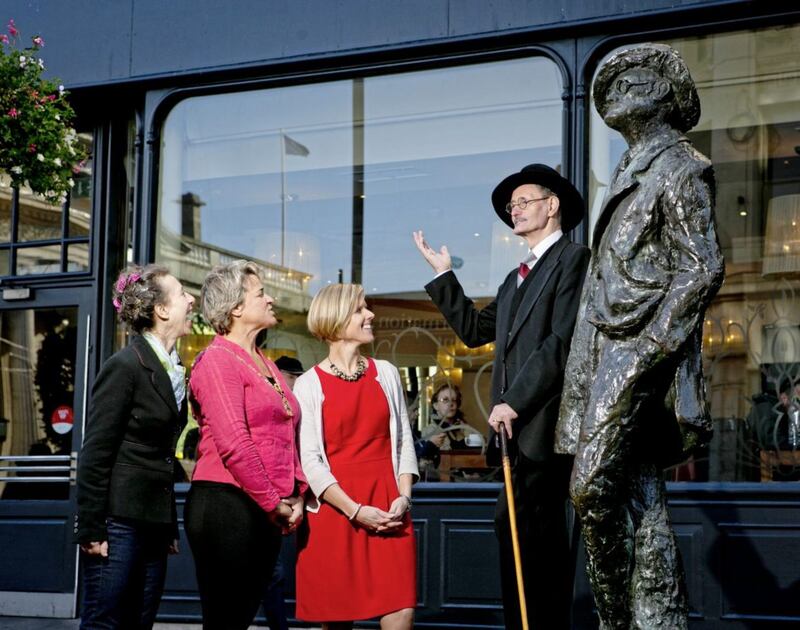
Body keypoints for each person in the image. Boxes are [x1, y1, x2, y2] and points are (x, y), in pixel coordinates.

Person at [555, 44, 725, 629]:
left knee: (590, 489)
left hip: (636, 352)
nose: (625, 84)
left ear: (670, 97)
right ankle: (655, 619)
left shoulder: (681, 167)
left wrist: (651, 348)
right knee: (640, 498)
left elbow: (702, 267)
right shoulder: (630, 171)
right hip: (602, 349)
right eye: (614, 81)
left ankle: (616, 619)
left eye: (642, 77)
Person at [413, 163, 590, 629]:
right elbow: (474, 331)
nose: (515, 210)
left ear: (552, 206)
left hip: (547, 431)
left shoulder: (574, 259)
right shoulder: (514, 279)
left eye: (523, 201)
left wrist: (516, 400)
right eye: (511, 206)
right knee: (514, 538)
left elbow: (561, 340)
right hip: (515, 438)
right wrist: (444, 275)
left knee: (542, 549)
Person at [184, 260, 307, 630]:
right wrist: (276, 504)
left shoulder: (265, 364)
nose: (270, 300)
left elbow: (287, 432)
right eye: (260, 293)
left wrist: (297, 492)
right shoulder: (217, 360)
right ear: (236, 307)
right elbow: (235, 443)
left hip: (264, 507)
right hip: (226, 506)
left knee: (239, 617)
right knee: (226, 622)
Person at [75, 264, 194, 629]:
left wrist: (168, 527)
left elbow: (162, 455)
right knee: (105, 621)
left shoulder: (175, 370)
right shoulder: (125, 366)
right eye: (182, 294)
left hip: (153, 524)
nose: (192, 300)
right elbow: (96, 451)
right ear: (161, 310)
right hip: (118, 523)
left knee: (140, 622)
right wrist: (92, 528)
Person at [294, 283, 418, 629]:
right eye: (360, 309)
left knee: (401, 610)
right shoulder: (308, 385)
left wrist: (405, 498)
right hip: (338, 513)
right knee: (337, 620)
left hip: (390, 507)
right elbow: (311, 462)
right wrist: (355, 510)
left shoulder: (387, 373)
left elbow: (403, 443)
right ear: (336, 319)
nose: (370, 315)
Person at [260, 355, 306, 630]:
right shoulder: (276, 401)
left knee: (273, 572)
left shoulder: (294, 406)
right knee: (272, 572)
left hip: (285, 496)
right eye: (294, 377)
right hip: (266, 497)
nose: (297, 383)